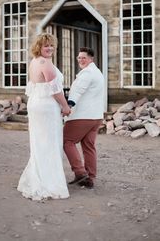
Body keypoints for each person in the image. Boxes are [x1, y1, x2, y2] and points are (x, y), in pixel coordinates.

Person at [17, 33, 71, 200]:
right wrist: (65, 106)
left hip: (36, 104)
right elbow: (55, 90)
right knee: (50, 143)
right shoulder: (45, 63)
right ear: (39, 47)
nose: (49, 48)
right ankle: (48, 183)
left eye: (51, 45)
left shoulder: (34, 61)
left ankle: (39, 177)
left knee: (40, 143)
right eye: (45, 45)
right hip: (46, 106)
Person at [63, 47, 104, 189]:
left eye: (83, 58)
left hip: (82, 116)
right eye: (79, 57)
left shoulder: (87, 73)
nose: (80, 60)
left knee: (67, 141)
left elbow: (78, 91)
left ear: (91, 59)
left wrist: (68, 105)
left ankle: (80, 173)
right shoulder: (97, 72)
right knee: (88, 146)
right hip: (96, 116)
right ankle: (90, 178)